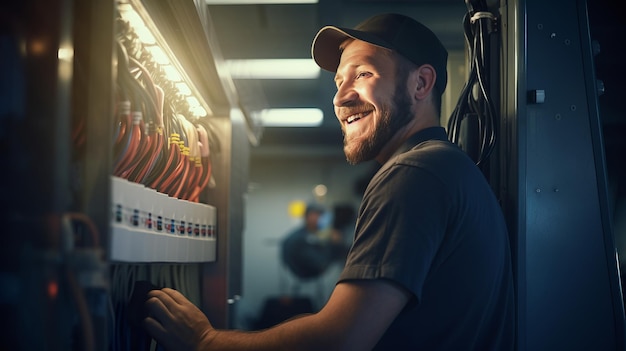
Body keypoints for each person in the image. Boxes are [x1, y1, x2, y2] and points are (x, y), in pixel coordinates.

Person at [143, 13, 515, 350]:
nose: (340, 96)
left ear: (421, 83)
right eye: (339, 80)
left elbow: (339, 342)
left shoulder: (415, 173)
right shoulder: (447, 168)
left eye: (363, 74)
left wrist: (206, 341)